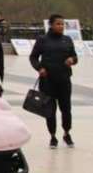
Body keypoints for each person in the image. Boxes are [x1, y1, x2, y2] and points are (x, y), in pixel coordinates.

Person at [29, 15, 78, 147]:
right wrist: (39, 68)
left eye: (62, 24)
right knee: (50, 110)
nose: (61, 26)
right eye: (58, 24)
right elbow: (33, 57)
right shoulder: (42, 40)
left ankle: (67, 133)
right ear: (51, 25)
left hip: (64, 80)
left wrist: (72, 60)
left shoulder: (67, 40)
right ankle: (53, 136)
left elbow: (74, 56)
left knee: (66, 109)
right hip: (47, 81)